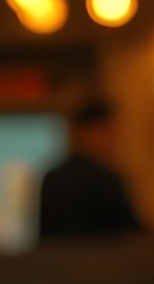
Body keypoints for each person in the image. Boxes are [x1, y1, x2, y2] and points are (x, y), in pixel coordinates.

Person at [38, 101, 142, 238]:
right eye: (108, 131)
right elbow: (133, 234)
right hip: (104, 259)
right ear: (89, 133)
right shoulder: (107, 180)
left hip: (57, 259)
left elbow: (45, 237)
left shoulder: (52, 178)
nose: (114, 139)